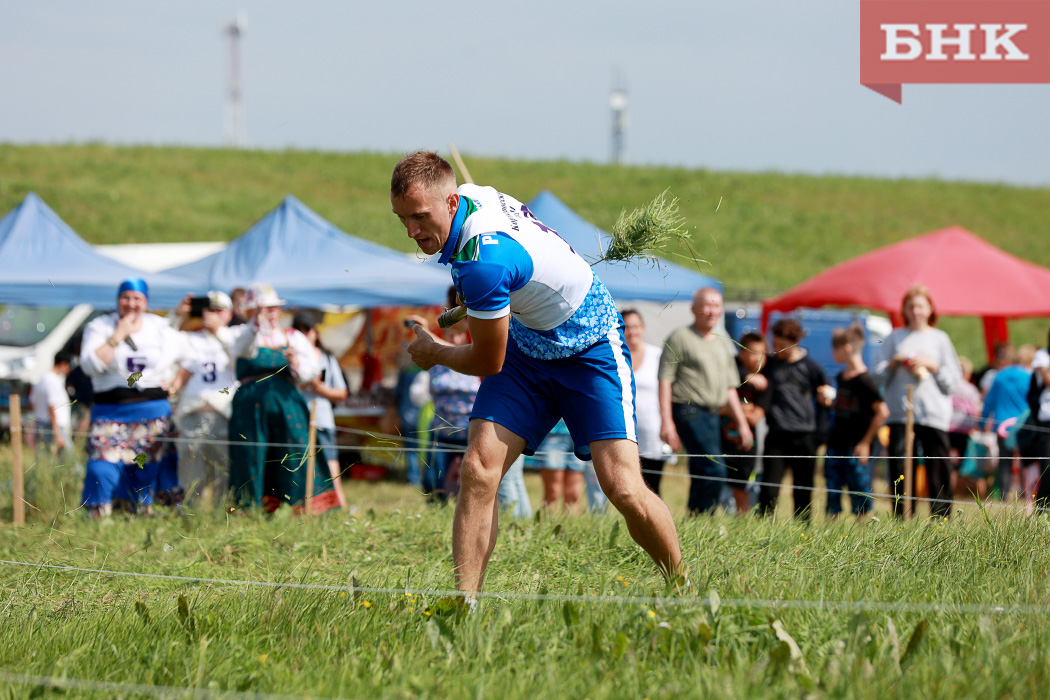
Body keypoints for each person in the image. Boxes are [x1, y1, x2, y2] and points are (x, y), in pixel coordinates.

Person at [391, 151, 683, 595]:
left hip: (588, 345)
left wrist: (435, 352)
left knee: (622, 487)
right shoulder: (469, 196)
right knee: (478, 469)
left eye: (419, 216)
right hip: (528, 346)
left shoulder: (482, 263)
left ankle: (683, 587)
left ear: (451, 204)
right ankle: (463, 606)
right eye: (402, 219)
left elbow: (487, 361)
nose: (412, 231)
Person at [220, 284, 340, 514]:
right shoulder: (238, 333)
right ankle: (249, 509)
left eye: (274, 308)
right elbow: (243, 350)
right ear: (252, 310)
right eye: (265, 309)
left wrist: (295, 363)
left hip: (286, 404)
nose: (271, 313)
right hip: (251, 405)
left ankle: (298, 506)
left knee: (294, 451)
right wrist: (256, 325)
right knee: (251, 454)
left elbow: (310, 372)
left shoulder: (292, 336)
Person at [79, 278, 184, 516]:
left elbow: (188, 358)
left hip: (153, 411)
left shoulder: (159, 327)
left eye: (137, 298)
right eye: (126, 297)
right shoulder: (100, 327)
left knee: (147, 469)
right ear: (118, 300)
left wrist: (176, 384)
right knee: (101, 466)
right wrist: (118, 335)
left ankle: (143, 516)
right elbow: (90, 366)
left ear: (146, 302)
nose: (131, 303)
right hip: (111, 411)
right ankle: (100, 516)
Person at [659, 288, 753, 515]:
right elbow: (665, 381)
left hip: (715, 414)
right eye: (707, 305)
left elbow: (730, 388)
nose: (712, 311)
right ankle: (702, 518)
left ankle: (696, 520)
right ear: (694, 308)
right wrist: (666, 422)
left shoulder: (722, 343)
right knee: (715, 468)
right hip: (688, 410)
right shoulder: (680, 337)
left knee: (703, 468)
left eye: (717, 306)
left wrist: (742, 423)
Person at [872, 285, 962, 519]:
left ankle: (940, 518)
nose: (916, 311)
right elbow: (877, 374)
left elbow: (953, 380)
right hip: (901, 413)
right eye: (911, 306)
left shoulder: (940, 339)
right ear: (904, 309)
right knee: (901, 467)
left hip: (933, 414)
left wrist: (933, 366)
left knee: (937, 467)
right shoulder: (894, 337)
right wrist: (894, 362)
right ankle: (902, 516)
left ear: (930, 309)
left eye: (920, 306)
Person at [169, 291, 238, 508]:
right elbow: (162, 342)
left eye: (218, 310)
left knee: (223, 474)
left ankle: (221, 519)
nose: (212, 315)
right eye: (208, 310)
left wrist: (218, 330)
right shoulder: (190, 338)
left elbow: (240, 352)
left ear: (228, 314)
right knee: (190, 474)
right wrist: (178, 315)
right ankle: (190, 519)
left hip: (224, 415)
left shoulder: (237, 336)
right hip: (193, 415)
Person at [758, 318, 831, 520]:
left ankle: (802, 532)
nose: (777, 350)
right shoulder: (770, 365)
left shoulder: (811, 367)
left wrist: (820, 434)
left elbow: (826, 400)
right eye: (775, 345)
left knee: (803, 490)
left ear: (794, 343)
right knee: (769, 489)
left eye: (782, 346)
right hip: (777, 435)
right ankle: (762, 527)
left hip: (805, 437)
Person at [823, 324, 888, 519]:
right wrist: (830, 403)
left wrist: (866, 442)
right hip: (837, 442)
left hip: (857, 446)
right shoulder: (842, 377)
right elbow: (847, 407)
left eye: (835, 348)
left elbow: (882, 411)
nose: (832, 353)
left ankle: (862, 537)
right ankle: (829, 534)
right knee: (832, 489)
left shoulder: (865, 380)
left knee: (859, 491)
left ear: (846, 348)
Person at [292, 312, 350, 510]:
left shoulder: (327, 358)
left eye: (307, 329)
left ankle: (339, 506)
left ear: (315, 332)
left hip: (322, 419)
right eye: (298, 330)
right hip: (299, 418)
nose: (303, 334)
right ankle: (305, 507)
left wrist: (320, 389)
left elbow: (342, 392)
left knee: (331, 463)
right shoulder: (291, 359)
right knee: (302, 465)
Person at [621, 309, 671, 497]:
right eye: (627, 327)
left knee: (652, 488)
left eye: (636, 326)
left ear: (642, 328)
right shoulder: (615, 356)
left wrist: (668, 423)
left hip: (652, 432)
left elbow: (667, 393)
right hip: (624, 431)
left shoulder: (657, 356)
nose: (632, 332)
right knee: (628, 488)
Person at [722, 332, 770, 514]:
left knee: (742, 489)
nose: (759, 358)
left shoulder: (765, 383)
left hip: (746, 447)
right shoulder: (729, 372)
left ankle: (740, 530)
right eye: (753, 352)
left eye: (762, 353)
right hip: (721, 443)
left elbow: (755, 417)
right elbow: (718, 406)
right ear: (741, 354)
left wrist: (732, 408)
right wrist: (746, 408)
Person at [981, 345, 1035, 501]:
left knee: (1004, 462)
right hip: (1023, 425)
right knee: (1026, 461)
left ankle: (1003, 496)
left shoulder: (1000, 376)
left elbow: (989, 402)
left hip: (1001, 426)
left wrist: (983, 421)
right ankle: (1026, 495)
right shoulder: (1028, 377)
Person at [29, 350, 74, 460]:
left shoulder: (42, 380)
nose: (68, 370)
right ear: (63, 364)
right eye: (68, 366)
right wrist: (57, 433)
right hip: (55, 426)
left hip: (42, 424)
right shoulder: (52, 382)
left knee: (45, 460)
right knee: (68, 460)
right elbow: (52, 407)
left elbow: (32, 403)